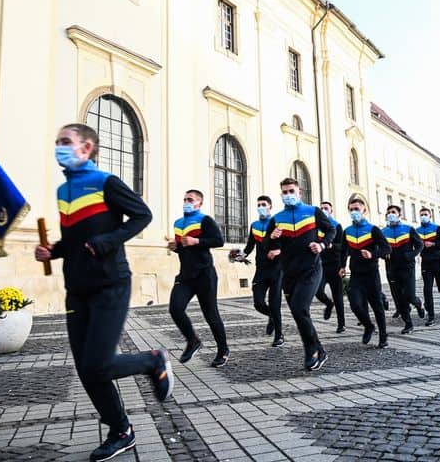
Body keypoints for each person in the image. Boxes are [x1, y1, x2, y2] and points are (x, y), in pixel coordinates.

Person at [35, 124, 171, 462]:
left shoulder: (106, 182)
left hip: (111, 283)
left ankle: (152, 361)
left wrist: (109, 241)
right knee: (87, 369)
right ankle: (120, 430)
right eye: (57, 143)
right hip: (76, 289)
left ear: (86, 148)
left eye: (66, 142)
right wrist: (53, 251)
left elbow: (142, 215)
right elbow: (74, 239)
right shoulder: (64, 190)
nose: (59, 148)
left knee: (97, 363)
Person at [264, 178, 335, 371]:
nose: (288, 195)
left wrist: (321, 244)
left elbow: (331, 230)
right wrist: (272, 238)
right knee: (300, 314)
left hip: (311, 270)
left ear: (299, 193)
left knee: (299, 308)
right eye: (284, 192)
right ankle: (320, 350)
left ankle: (310, 351)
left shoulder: (312, 212)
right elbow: (267, 246)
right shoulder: (277, 219)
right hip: (289, 274)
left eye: (291, 191)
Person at [169, 189, 230, 368]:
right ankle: (193, 340)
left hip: (205, 275)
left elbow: (219, 241)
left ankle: (223, 349)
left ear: (199, 203)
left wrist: (197, 242)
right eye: (185, 199)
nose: (186, 202)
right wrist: (176, 247)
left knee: (211, 315)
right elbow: (184, 248)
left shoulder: (205, 220)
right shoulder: (178, 223)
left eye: (190, 199)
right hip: (186, 276)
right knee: (175, 308)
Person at [341, 198, 392, 347]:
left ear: (364, 210)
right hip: (356, 275)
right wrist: (342, 266)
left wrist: (372, 255)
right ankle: (368, 326)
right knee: (355, 304)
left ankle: (383, 336)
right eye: (351, 209)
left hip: (371, 274)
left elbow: (387, 249)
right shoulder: (347, 231)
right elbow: (343, 251)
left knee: (377, 306)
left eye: (357, 209)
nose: (354, 212)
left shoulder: (373, 229)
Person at [240, 195, 284, 347]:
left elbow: (289, 245)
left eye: (263, 204)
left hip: (277, 269)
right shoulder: (255, 225)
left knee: (274, 302)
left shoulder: (279, 224)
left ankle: (279, 335)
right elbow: (250, 246)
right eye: (258, 204)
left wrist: (278, 252)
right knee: (258, 303)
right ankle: (272, 316)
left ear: (270, 206)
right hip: (261, 269)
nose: (260, 207)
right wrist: (241, 255)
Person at [382, 205, 425, 334]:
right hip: (392, 269)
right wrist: (383, 254)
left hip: (407, 268)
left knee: (409, 296)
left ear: (399, 215)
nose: (391, 214)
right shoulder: (383, 232)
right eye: (388, 212)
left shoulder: (408, 229)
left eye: (393, 212)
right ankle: (408, 324)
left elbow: (420, 245)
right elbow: (379, 248)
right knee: (400, 299)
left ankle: (419, 304)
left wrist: (411, 255)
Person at [415, 208, 440, 326]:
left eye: (425, 214)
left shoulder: (437, 228)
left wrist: (434, 244)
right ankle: (431, 317)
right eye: (421, 215)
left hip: (438, 261)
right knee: (427, 289)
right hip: (426, 262)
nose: (423, 216)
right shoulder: (417, 231)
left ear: (430, 215)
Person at [314, 201, 346, 333]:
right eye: (321, 208)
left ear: (331, 211)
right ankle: (328, 304)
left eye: (326, 208)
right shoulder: (316, 227)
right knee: (318, 291)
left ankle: (341, 324)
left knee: (338, 295)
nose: (323, 210)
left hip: (335, 265)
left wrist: (332, 246)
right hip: (320, 265)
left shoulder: (337, 226)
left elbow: (343, 248)